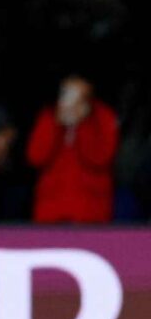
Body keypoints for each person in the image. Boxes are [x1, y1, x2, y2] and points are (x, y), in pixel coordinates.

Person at [26, 73, 118, 223]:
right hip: (51, 210)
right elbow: (36, 157)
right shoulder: (49, 115)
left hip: (90, 210)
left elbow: (101, 158)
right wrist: (56, 124)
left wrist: (83, 123)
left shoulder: (103, 116)